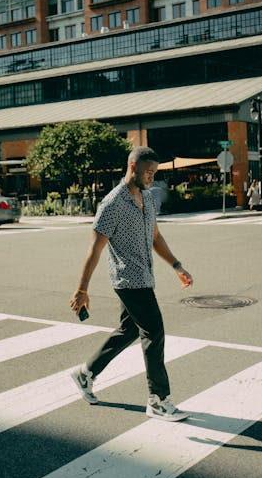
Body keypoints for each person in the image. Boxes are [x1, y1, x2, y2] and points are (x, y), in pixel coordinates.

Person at [69, 146, 194, 422]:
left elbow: (156, 237)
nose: (151, 177)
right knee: (154, 331)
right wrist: (82, 289)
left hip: (145, 276)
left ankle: (85, 373)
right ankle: (158, 400)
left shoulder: (148, 199)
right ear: (132, 167)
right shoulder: (112, 204)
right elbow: (95, 250)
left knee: (129, 330)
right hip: (127, 279)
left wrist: (176, 266)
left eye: (154, 173)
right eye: (148, 172)